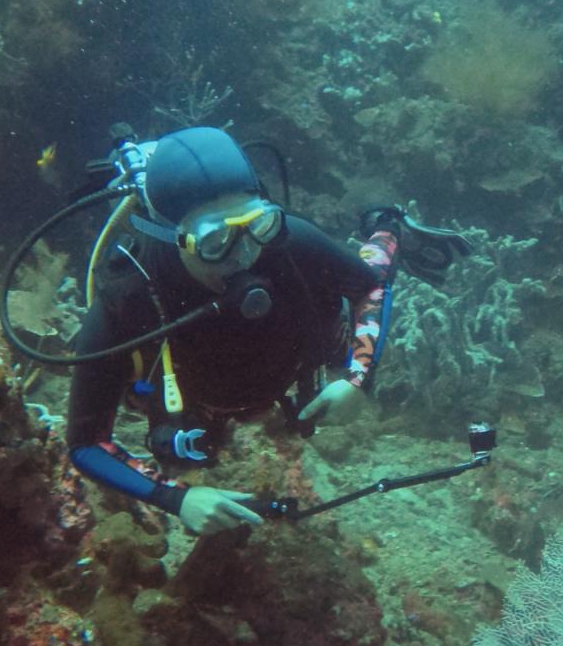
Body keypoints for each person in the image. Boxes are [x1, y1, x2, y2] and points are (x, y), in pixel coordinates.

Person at [66, 126, 401, 537]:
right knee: (189, 448)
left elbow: (369, 285)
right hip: (196, 399)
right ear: (172, 237)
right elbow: (84, 442)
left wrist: (357, 376)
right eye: (216, 239)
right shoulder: (128, 297)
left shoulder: (289, 243)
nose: (243, 255)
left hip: (292, 363)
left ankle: (387, 227)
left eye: (257, 225)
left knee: (359, 283)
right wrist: (176, 497)